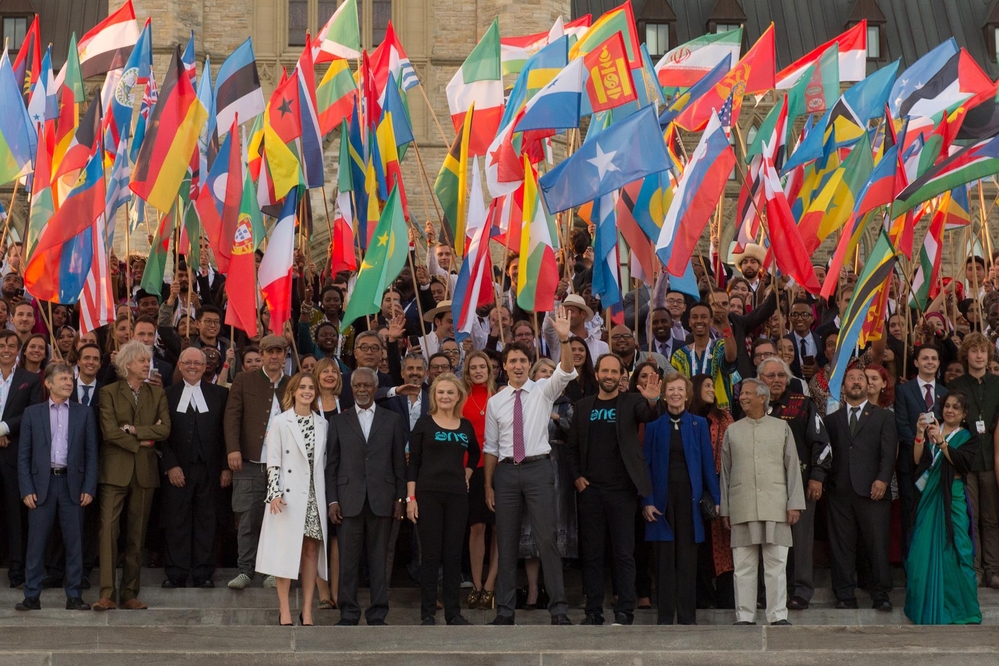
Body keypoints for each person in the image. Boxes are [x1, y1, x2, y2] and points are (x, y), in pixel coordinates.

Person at [483, 306, 576, 626]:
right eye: (513, 361)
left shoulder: (543, 390)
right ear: (505, 367)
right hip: (507, 473)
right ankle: (505, 611)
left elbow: (566, 371)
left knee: (546, 539)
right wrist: (488, 485)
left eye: (523, 360)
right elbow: (491, 448)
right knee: (506, 542)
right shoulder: (495, 402)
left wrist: (564, 339)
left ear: (529, 364)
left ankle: (559, 610)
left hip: (538, 469)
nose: (518, 365)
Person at [566, 353, 662, 626]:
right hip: (591, 492)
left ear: (622, 376)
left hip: (622, 492)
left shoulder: (632, 402)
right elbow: (571, 449)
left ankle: (625, 611)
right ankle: (593, 612)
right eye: (604, 371)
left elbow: (649, 415)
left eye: (614, 371)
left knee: (623, 553)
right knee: (593, 554)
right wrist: (576, 478)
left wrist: (652, 400)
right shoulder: (582, 406)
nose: (609, 375)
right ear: (596, 374)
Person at [720, 378, 805, 626]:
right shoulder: (733, 430)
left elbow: (793, 467)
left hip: (775, 505)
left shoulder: (781, 427)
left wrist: (794, 503)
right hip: (742, 505)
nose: (742, 397)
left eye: (748, 393)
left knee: (776, 564)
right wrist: (725, 509)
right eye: (741, 394)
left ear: (762, 397)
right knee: (743, 565)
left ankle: (777, 615)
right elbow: (725, 473)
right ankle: (745, 615)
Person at [326, 367, 407, 626]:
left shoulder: (392, 420)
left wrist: (400, 498)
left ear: (375, 388)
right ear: (351, 389)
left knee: (379, 560)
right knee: (348, 561)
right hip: (347, 500)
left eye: (366, 385)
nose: (362, 389)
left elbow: (399, 463)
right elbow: (332, 465)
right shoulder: (338, 421)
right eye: (357, 386)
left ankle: (377, 613)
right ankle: (348, 613)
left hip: (383, 499)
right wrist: (332, 500)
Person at [94, 340, 171, 611]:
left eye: (148, 360)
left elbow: (165, 430)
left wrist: (134, 430)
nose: (147, 365)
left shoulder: (157, 394)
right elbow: (109, 432)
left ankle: (129, 593)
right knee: (108, 532)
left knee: (137, 534)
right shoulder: (108, 392)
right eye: (142, 360)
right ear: (127, 364)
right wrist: (144, 441)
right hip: (114, 471)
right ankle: (106, 594)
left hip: (144, 473)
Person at [15, 363, 98, 611]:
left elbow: (91, 454)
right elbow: (24, 455)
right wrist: (26, 488)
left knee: (74, 543)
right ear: (48, 383)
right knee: (36, 543)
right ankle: (31, 596)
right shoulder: (32, 413)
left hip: (73, 485)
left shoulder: (85, 413)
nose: (69, 383)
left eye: (70, 379)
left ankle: (74, 596)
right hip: (42, 486)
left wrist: (89, 487)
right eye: (63, 378)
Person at [641, 372, 720, 625]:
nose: (675, 393)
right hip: (661, 502)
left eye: (680, 389)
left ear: (687, 395)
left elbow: (708, 465)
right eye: (671, 390)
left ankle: (687, 617)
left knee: (688, 559)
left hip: (690, 501)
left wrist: (716, 498)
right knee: (664, 559)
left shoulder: (699, 424)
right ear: (664, 396)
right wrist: (647, 501)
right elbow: (646, 467)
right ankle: (665, 617)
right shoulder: (654, 427)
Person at [755, 356, 830, 611]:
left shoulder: (803, 404)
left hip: (800, 485)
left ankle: (801, 591)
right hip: (765, 487)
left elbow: (822, 443)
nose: (776, 380)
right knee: (768, 541)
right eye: (771, 375)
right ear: (760, 380)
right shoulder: (754, 406)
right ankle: (769, 592)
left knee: (801, 542)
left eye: (781, 375)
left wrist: (817, 477)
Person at [257, 372, 329, 627]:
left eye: (311, 387)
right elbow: (273, 460)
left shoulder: (323, 424)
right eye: (302, 387)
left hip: (314, 495)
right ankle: (284, 609)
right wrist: (274, 493)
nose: (307, 391)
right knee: (284, 553)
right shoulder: (280, 421)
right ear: (294, 391)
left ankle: (307, 610)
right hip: (287, 497)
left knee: (310, 551)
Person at [407, 373, 479, 625]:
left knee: (453, 555)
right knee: (430, 555)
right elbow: (413, 463)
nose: (445, 396)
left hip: (457, 496)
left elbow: (475, 453)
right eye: (440, 392)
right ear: (434, 396)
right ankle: (428, 613)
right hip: (428, 495)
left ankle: (453, 613)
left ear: (458, 396)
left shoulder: (465, 426)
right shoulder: (424, 424)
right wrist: (411, 498)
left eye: (450, 392)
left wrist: (467, 473)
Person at [824, 366, 897, 611]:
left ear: (868, 385)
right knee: (841, 546)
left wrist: (882, 479)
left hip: (873, 491)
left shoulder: (884, 417)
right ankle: (845, 595)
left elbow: (889, 453)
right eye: (851, 378)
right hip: (840, 492)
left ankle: (880, 595)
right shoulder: (831, 420)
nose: (856, 382)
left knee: (876, 544)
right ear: (843, 386)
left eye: (860, 378)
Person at [905, 392, 981, 624]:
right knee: (920, 552)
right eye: (947, 406)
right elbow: (917, 461)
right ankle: (924, 609)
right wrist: (920, 433)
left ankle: (962, 611)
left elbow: (962, 462)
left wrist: (941, 441)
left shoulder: (968, 437)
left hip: (953, 498)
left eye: (956, 407)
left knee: (958, 551)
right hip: (929, 497)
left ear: (964, 414)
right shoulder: (932, 431)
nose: (950, 410)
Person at [224, 334, 291, 590]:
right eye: (269, 351)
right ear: (261, 355)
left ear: (285, 355)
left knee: (278, 521)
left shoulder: (293, 383)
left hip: (283, 466)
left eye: (279, 351)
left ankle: (272, 571)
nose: (274, 356)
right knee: (247, 519)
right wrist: (233, 448)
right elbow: (232, 417)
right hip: (250, 461)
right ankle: (245, 571)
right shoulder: (244, 380)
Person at [160, 348, 229, 589]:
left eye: (197, 363)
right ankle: (176, 573)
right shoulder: (166, 395)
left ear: (204, 366)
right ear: (179, 365)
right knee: (176, 522)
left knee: (207, 522)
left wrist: (225, 467)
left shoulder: (220, 394)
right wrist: (170, 465)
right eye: (187, 362)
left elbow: (226, 433)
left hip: (209, 470)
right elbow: (161, 434)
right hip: (178, 470)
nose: (192, 367)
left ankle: (203, 573)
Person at [946, 332, 999, 587]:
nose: (979, 356)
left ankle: (993, 569)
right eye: (974, 351)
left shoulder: (998, 384)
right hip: (966, 461)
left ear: (989, 355)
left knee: (992, 519)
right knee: (970, 516)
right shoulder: (955, 387)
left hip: (992, 460)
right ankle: (974, 568)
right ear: (965, 355)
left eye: (983, 351)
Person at [0, 329, 43, 588]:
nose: (6, 349)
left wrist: (4, 429)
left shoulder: (30, 379)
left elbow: (32, 412)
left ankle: (16, 570)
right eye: (2, 345)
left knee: (15, 516)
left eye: (11, 345)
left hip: (14, 455)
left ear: (19, 350)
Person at [690, 373, 735, 609]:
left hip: (720, 484)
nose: (711, 389)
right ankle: (702, 597)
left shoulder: (724, 416)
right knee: (700, 546)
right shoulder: (687, 418)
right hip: (693, 487)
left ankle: (726, 597)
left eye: (712, 386)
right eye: (706, 385)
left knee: (724, 544)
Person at [462, 351, 498, 610]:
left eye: (482, 367)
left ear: (489, 370)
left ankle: (490, 584)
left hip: (499, 468)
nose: (478, 371)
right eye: (473, 367)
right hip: (471, 468)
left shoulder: (499, 396)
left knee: (499, 529)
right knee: (477, 528)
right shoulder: (461, 397)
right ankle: (476, 584)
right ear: (467, 371)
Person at [313, 357, 342, 611]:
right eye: (325, 372)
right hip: (315, 475)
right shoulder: (309, 404)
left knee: (337, 537)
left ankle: (337, 592)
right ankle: (323, 592)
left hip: (342, 476)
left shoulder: (347, 402)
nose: (330, 375)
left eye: (334, 371)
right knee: (317, 535)